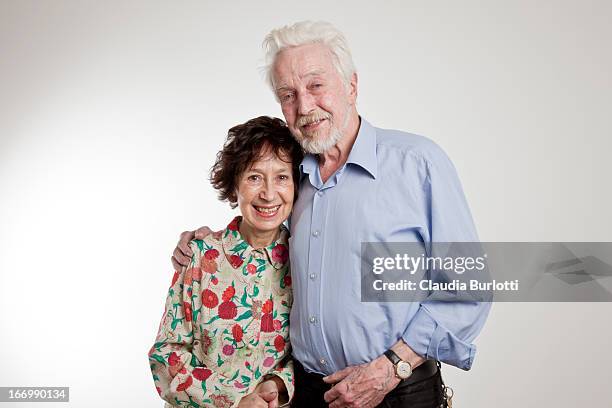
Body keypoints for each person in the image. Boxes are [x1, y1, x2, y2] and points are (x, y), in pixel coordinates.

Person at [172, 21, 491, 408]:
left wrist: (393, 367)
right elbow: (263, 234)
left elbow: (470, 285)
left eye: (316, 85)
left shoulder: (417, 163)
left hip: (396, 393)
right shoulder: (294, 175)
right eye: (288, 94)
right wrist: (205, 243)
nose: (304, 106)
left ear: (352, 85)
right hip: (307, 394)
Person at [149, 116, 304, 408]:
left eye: (282, 177)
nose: (269, 193)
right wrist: (234, 402)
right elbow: (166, 354)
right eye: (254, 177)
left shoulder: (304, 261)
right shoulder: (199, 256)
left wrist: (279, 384)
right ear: (235, 185)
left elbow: (311, 351)